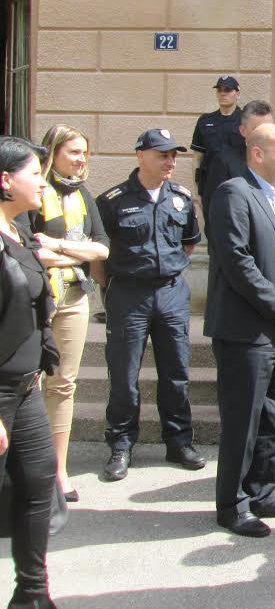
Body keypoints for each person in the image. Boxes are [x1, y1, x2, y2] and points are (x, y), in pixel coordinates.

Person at [204, 124, 275, 538]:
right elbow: (236, 260)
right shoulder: (235, 193)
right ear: (256, 154)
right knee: (243, 420)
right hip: (245, 331)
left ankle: (263, 491)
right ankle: (232, 504)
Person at [0, 136, 83, 609]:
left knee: (36, 488)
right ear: (5, 180)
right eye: (34, 172)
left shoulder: (17, 229)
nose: (41, 180)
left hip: (26, 385)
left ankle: (31, 599)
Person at [95, 129, 204, 482]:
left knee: (176, 373)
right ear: (141, 155)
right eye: (162, 155)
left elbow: (188, 244)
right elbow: (99, 252)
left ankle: (178, 441)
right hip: (128, 293)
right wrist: (110, 286)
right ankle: (122, 444)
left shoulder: (182, 198)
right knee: (125, 377)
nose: (170, 161)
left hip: (171, 292)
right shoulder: (112, 200)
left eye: (174, 155)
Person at [25, 126, 109, 503]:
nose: (81, 159)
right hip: (37, 295)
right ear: (53, 152)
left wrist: (59, 248)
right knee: (30, 383)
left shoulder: (82, 193)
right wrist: (76, 253)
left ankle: (59, 469)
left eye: (84, 153)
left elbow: (103, 249)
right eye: (74, 152)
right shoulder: (35, 192)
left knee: (63, 385)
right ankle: (28, 467)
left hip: (75, 296)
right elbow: (28, 249)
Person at [202, 100, 275, 233]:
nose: (265, 135)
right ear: (243, 131)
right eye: (258, 130)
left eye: (269, 128)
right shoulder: (224, 162)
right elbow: (214, 211)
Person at [190, 75, 242, 203]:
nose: (222, 93)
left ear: (237, 94)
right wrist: (198, 191)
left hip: (239, 185)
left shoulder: (246, 120)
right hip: (210, 186)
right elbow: (197, 158)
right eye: (219, 90)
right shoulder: (205, 121)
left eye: (227, 90)